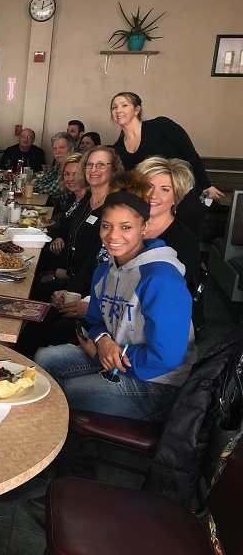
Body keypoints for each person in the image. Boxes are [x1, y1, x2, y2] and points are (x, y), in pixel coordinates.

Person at [35, 171, 198, 422]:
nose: (113, 235)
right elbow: (95, 320)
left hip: (159, 383)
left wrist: (114, 356)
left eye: (126, 227)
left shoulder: (161, 277)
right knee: (45, 359)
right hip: (115, 356)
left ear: (144, 228)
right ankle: (57, 434)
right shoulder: (105, 271)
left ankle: (67, 451)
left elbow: (167, 357)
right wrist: (102, 341)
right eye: (107, 226)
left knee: (65, 393)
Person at [110, 91, 223, 235]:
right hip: (154, 200)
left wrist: (206, 185)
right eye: (114, 107)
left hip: (181, 192)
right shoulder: (118, 147)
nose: (118, 110)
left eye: (124, 105)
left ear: (137, 110)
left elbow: (190, 154)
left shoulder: (161, 125)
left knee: (186, 234)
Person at [32, 145, 123, 303]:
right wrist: (56, 270)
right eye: (89, 164)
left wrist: (68, 283)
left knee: (36, 291)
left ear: (114, 170)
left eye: (101, 164)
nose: (93, 169)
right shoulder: (87, 201)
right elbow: (71, 237)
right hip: (69, 274)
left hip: (87, 288)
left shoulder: (114, 208)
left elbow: (97, 261)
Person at [33, 132, 75, 211]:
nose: (57, 151)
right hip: (59, 207)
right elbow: (44, 179)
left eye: (62, 147)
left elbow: (52, 190)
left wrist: (35, 186)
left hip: (68, 211)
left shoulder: (72, 165)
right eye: (54, 148)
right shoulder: (59, 163)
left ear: (72, 149)